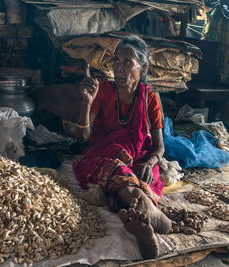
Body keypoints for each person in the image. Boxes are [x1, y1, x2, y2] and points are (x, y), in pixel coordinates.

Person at [73, 35, 171, 259]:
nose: (118, 68)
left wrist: (150, 162)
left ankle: (144, 216)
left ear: (143, 69)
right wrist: (86, 103)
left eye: (128, 62)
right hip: (104, 155)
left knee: (132, 176)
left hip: (139, 160)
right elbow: (82, 138)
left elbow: (159, 147)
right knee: (116, 171)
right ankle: (152, 216)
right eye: (116, 61)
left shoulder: (150, 99)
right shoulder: (103, 91)